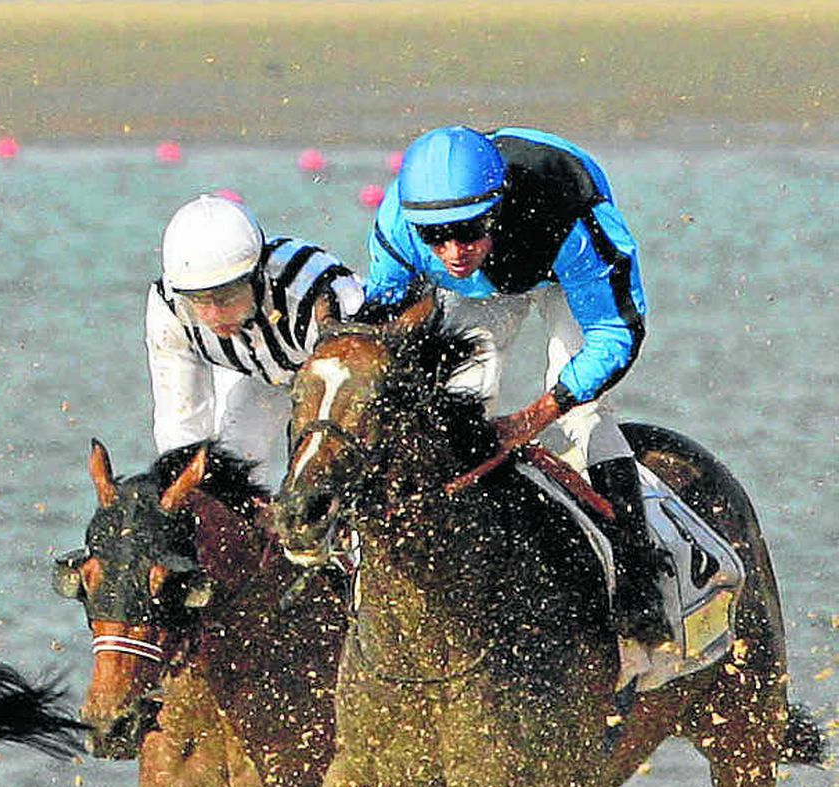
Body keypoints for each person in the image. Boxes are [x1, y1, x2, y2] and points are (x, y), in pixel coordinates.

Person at [362, 125, 668, 644]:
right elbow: (381, 324)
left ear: (496, 211)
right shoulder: (399, 225)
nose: (454, 250)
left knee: (583, 413)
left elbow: (615, 333)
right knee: (455, 403)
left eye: (469, 230)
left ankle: (639, 575)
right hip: (487, 287)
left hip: (560, 270)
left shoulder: (568, 216)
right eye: (437, 237)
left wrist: (535, 416)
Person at [147, 193, 364, 487]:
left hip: (332, 374)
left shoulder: (315, 294)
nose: (213, 315)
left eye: (226, 296)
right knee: (232, 460)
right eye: (198, 300)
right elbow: (180, 422)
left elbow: (356, 393)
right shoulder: (169, 308)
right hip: (259, 374)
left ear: (258, 275)